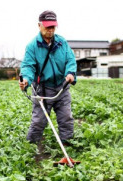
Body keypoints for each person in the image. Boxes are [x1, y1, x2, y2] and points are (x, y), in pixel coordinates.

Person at [19, 10, 77, 145]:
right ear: (39, 25)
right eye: (47, 26)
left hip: (62, 87)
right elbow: (28, 66)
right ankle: (31, 147)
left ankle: (68, 144)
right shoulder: (32, 46)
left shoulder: (62, 42)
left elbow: (70, 59)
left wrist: (70, 73)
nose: (50, 30)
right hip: (43, 89)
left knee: (66, 117)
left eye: (53, 26)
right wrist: (26, 79)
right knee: (39, 120)